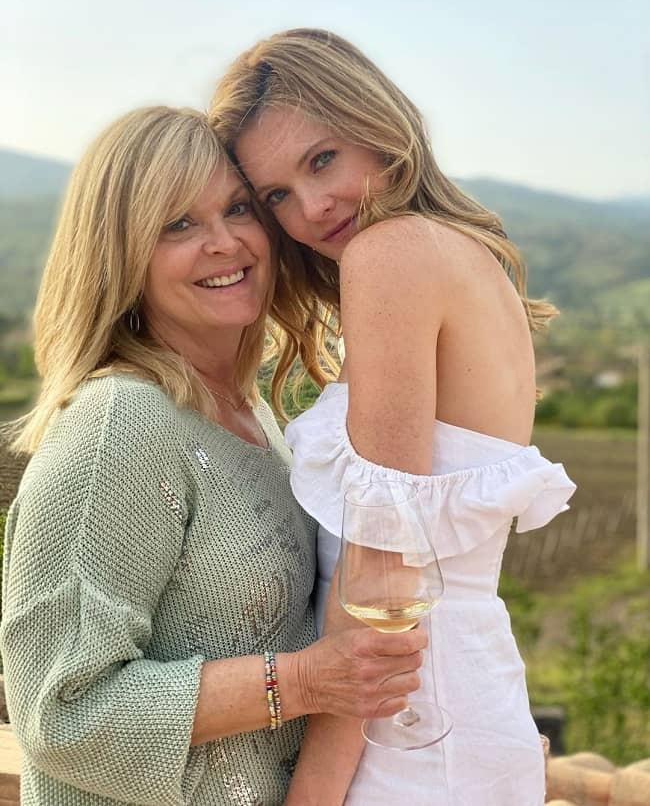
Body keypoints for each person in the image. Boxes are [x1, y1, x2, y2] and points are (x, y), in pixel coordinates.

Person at [0, 105, 427, 806]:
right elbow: (59, 713)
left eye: (238, 208)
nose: (225, 243)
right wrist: (302, 681)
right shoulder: (121, 423)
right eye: (178, 224)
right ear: (121, 254)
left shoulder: (252, 415)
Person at [209, 28, 577, 806]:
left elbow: (379, 598)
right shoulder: (459, 255)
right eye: (276, 195)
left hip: (405, 737)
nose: (310, 208)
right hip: (459, 707)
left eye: (322, 160)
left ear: (375, 121)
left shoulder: (391, 256)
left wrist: (310, 797)